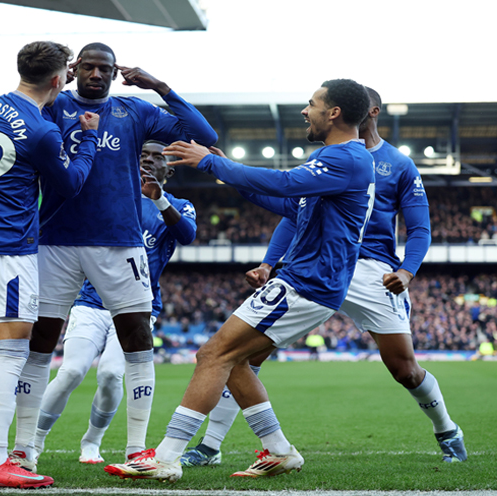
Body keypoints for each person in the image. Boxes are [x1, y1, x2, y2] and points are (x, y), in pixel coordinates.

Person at [181, 86, 467, 468]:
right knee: (244, 354)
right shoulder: (328, 155)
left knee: (404, 368)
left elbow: (420, 229)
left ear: (370, 112)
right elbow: (295, 212)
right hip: (319, 266)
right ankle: (210, 446)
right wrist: (270, 262)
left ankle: (447, 430)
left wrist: (406, 270)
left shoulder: (397, 164)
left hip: (371, 271)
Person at [104, 79, 374, 481]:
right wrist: (225, 169)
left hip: (306, 283)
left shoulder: (345, 159)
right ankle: (280, 451)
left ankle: (165, 456)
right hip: (309, 282)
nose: (305, 110)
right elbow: (287, 203)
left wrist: (211, 163)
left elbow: (283, 184)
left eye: (312, 103)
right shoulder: (342, 160)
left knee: (212, 355)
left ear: (333, 113)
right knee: (234, 361)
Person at [11, 42, 216, 472]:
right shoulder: (53, 106)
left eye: (105, 68)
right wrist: (50, 87)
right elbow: (18, 117)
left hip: (119, 242)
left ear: (114, 72)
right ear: (75, 68)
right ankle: (25, 449)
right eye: (88, 67)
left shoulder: (134, 111)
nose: (97, 74)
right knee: (42, 343)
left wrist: (158, 85)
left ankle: (137, 449)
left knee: (138, 341)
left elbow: (205, 136)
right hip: (56, 241)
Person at [0, 40, 100, 489]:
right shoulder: (43, 130)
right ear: (56, 79)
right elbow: (69, 183)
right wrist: (88, 137)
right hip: (5, 248)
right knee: (11, 353)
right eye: (67, 73)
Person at [30, 141, 197, 465]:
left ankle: (92, 441)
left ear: (169, 170)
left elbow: (187, 234)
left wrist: (158, 197)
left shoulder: (177, 205)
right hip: (91, 302)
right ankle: (33, 442)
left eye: (156, 158)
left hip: (137, 308)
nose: (148, 161)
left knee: (109, 374)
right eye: (142, 156)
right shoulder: (108, 197)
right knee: (71, 372)